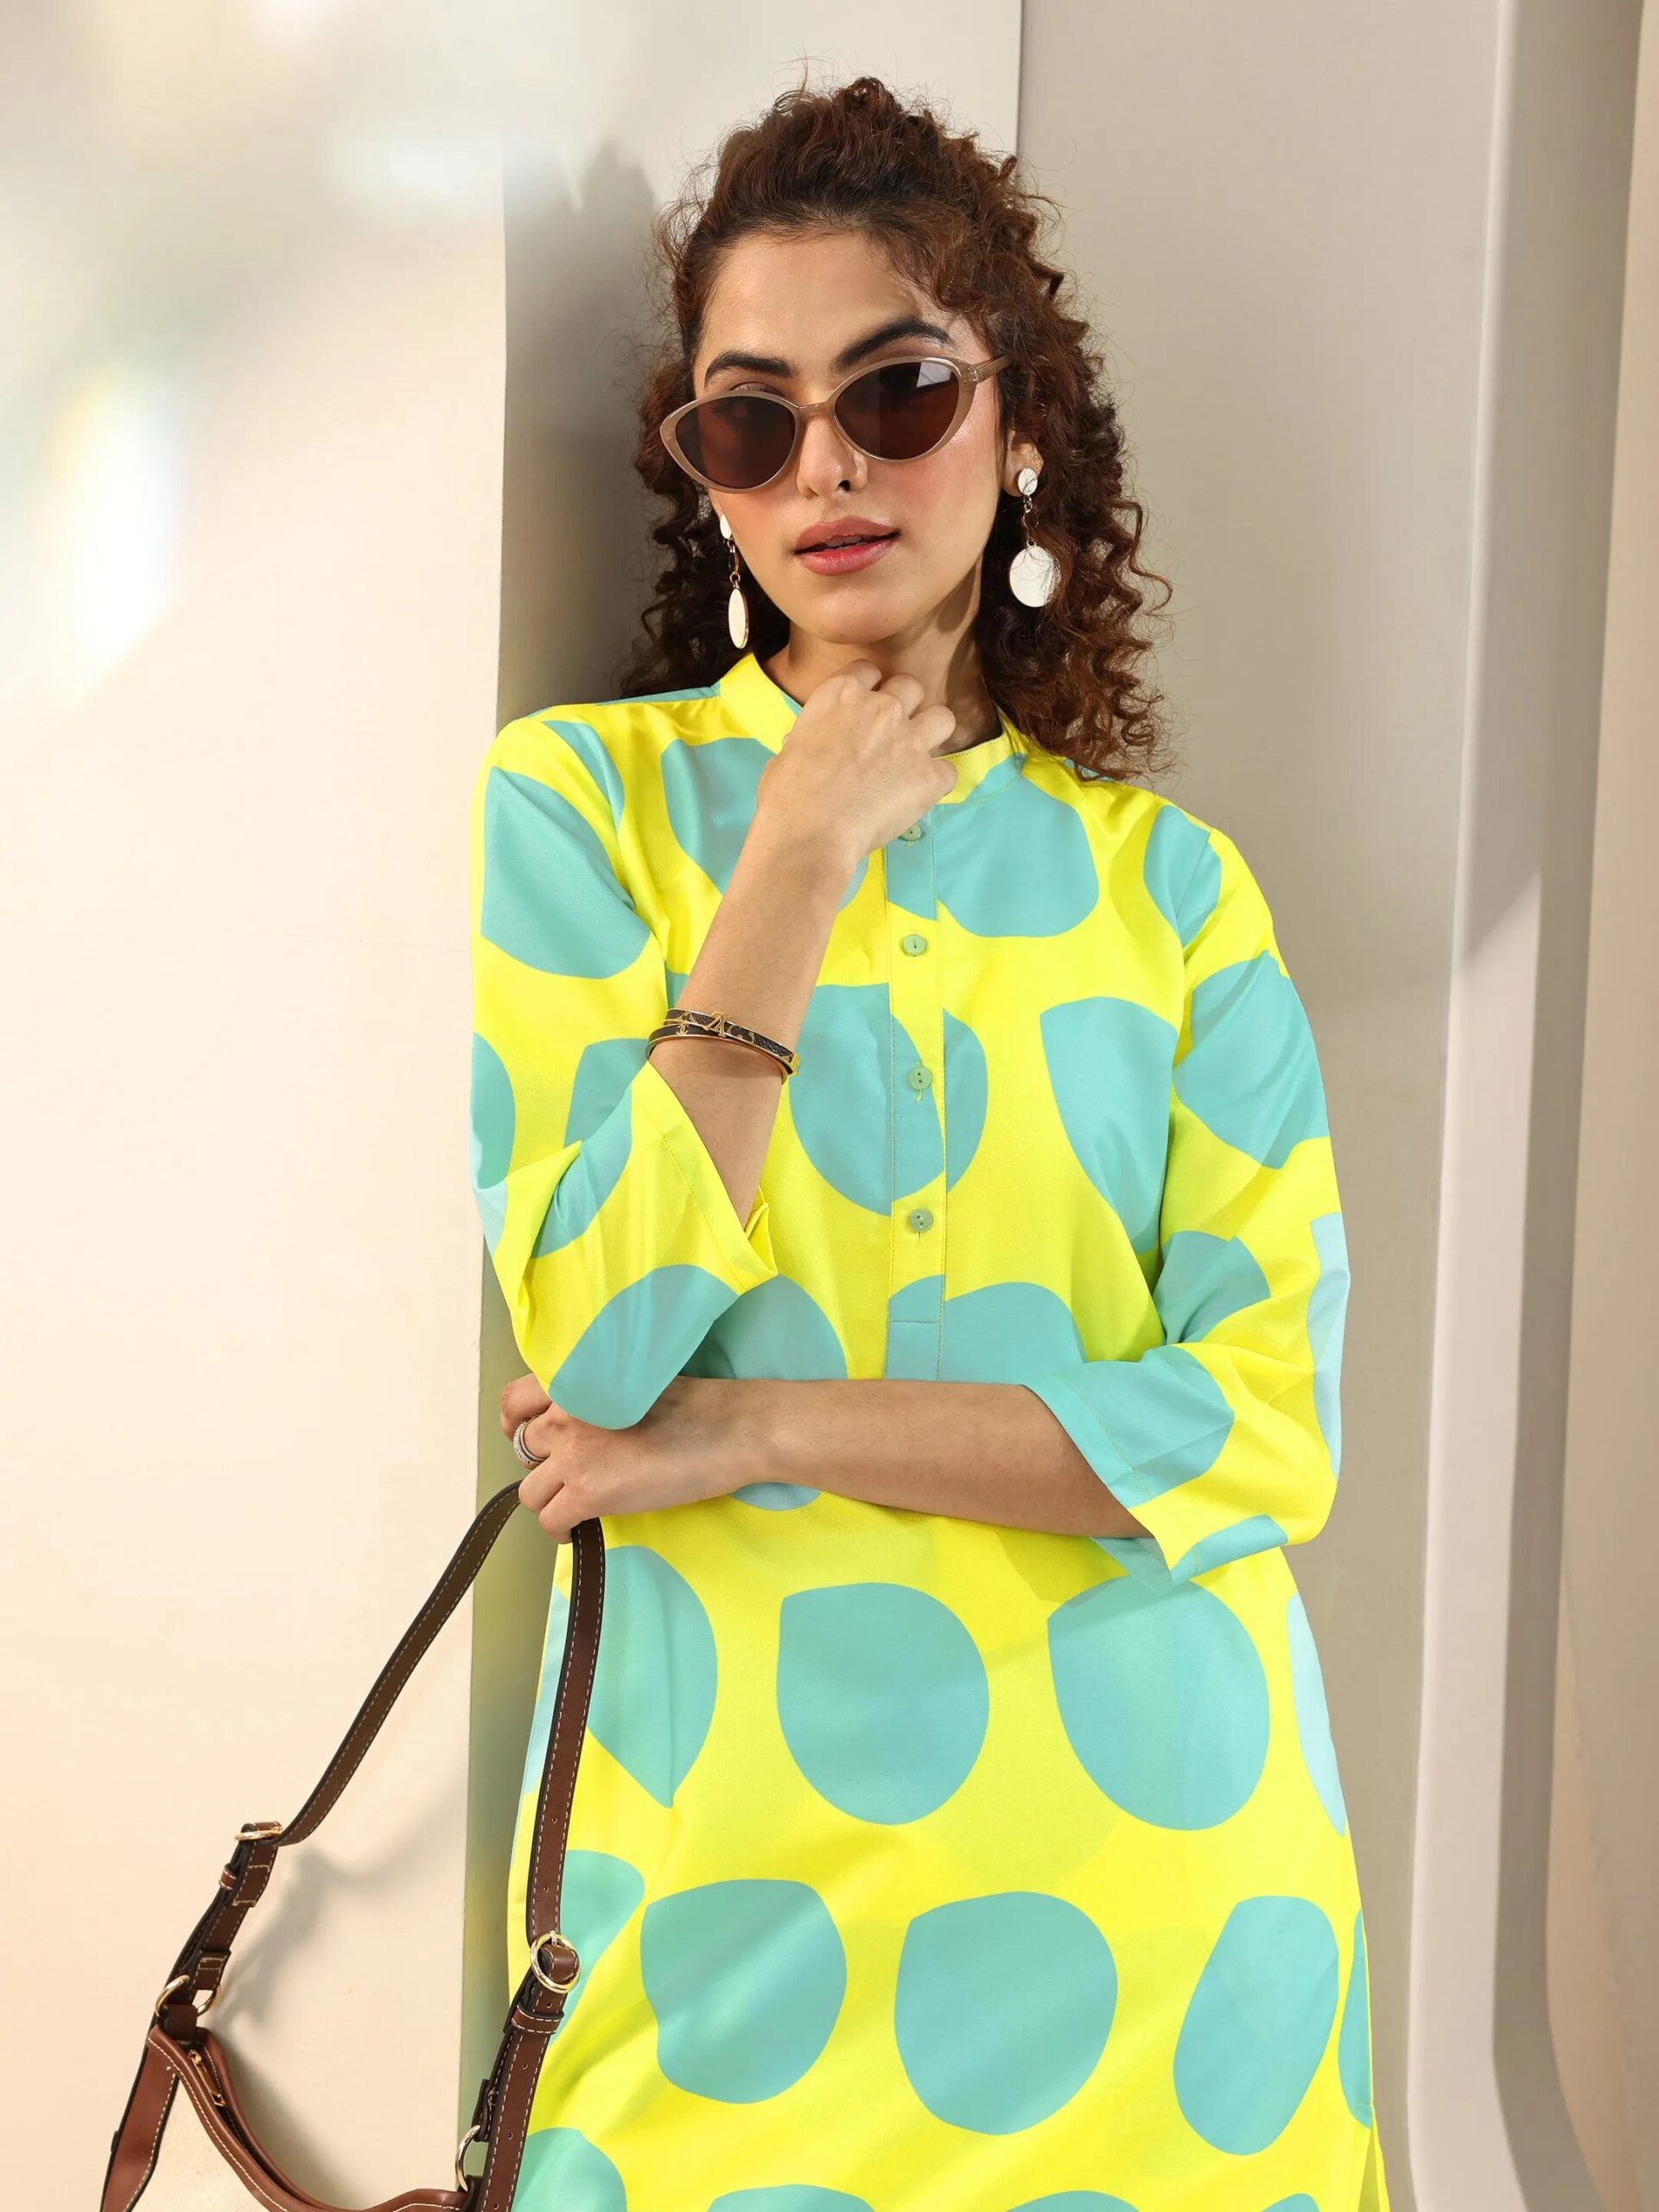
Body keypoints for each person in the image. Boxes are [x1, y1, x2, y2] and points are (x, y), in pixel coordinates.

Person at [467, 69, 1390, 2212]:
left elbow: (1266, 1429)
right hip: (725, 1917)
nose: (828, 467)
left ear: (1020, 418)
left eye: (896, 391)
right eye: (750, 419)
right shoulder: (580, 810)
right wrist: (795, 854)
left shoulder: (1176, 895)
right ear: (702, 472)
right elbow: (597, 1344)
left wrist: (763, 1427)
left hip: (1167, 1917)